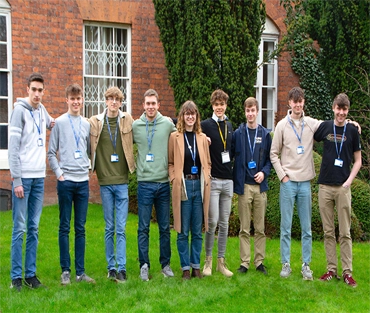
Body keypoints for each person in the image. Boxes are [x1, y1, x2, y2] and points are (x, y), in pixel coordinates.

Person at [8, 73, 54, 291]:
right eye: (34, 89)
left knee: (34, 228)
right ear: (27, 89)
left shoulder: (41, 110)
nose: (37, 94)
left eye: (40, 90)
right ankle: (16, 277)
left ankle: (30, 275)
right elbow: (13, 148)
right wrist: (16, 179)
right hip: (23, 179)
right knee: (19, 228)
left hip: (39, 178)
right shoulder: (19, 112)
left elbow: (52, 123)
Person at [270, 87, 321, 280]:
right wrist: (283, 175)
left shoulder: (310, 124)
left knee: (306, 228)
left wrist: (349, 122)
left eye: (301, 101)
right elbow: (273, 153)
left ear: (303, 103)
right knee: (286, 226)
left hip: (305, 184)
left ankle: (306, 265)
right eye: (295, 101)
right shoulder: (282, 125)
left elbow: (332, 124)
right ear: (289, 103)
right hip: (288, 183)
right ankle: (286, 264)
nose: (298, 105)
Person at [48, 83, 95, 285]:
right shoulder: (59, 123)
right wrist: (59, 174)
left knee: (81, 228)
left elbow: (89, 150)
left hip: (82, 183)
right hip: (66, 182)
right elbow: (51, 153)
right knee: (64, 226)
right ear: (66, 100)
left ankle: (80, 272)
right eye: (72, 99)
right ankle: (65, 271)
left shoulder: (86, 124)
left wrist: (88, 169)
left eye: (78, 99)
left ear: (82, 100)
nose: (76, 102)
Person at [314, 93, 361, 288]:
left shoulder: (352, 131)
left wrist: (349, 181)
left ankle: (347, 272)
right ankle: (331, 269)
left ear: (347, 110)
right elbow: (310, 133)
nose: (341, 112)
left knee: (345, 232)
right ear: (333, 108)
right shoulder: (325, 127)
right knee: (328, 232)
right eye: (338, 108)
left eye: (344, 109)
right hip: (325, 186)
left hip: (343, 187)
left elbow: (358, 160)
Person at [89, 87, 135, 283]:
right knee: (109, 227)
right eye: (110, 98)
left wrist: (171, 122)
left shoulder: (128, 120)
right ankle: (111, 267)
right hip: (105, 182)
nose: (114, 102)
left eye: (117, 99)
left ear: (121, 102)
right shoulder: (95, 122)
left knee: (121, 228)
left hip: (122, 182)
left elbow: (145, 125)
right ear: (105, 101)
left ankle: (122, 268)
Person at [132, 89, 176, 281]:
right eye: (147, 103)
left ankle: (165, 265)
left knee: (165, 227)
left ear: (158, 105)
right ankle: (144, 265)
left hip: (163, 184)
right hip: (144, 184)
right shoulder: (136, 126)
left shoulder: (167, 124)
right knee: (143, 228)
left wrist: (203, 137)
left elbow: (183, 137)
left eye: (153, 103)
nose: (150, 107)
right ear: (143, 105)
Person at [168, 101, 211, 280]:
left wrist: (207, 177)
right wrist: (174, 179)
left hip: (199, 186)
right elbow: (170, 163)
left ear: (197, 116)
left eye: (193, 114)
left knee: (197, 229)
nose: (190, 117)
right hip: (184, 186)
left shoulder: (202, 138)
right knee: (183, 230)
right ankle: (185, 267)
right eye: (187, 114)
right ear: (182, 116)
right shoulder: (175, 137)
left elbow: (207, 163)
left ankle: (196, 266)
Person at [232, 97, 272, 275]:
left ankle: (259, 262)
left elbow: (271, 159)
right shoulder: (238, 134)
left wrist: (264, 172)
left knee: (260, 228)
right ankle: (245, 262)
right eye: (247, 111)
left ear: (257, 111)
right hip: (244, 187)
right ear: (245, 112)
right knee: (244, 228)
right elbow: (230, 154)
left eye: (253, 110)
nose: (250, 114)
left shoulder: (265, 134)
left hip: (259, 186)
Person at [201, 89, 234, 277]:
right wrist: (202, 137)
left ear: (225, 105)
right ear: (212, 106)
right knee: (212, 222)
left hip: (228, 181)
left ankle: (221, 262)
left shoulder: (229, 125)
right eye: (216, 104)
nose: (219, 107)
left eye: (222, 104)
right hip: (213, 181)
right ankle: (208, 261)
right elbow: (189, 131)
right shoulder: (205, 125)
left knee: (225, 222)